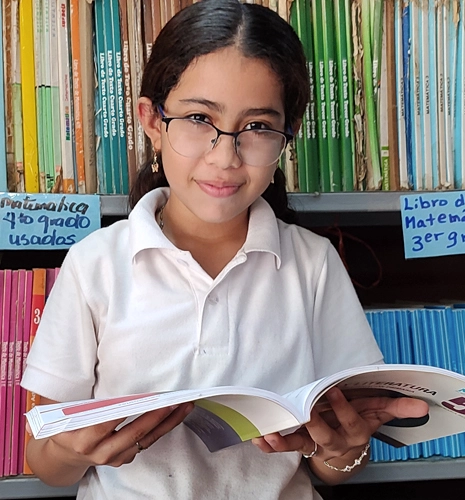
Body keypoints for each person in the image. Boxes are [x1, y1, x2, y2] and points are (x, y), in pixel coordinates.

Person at [21, 1, 428, 499]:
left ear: (285, 138)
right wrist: (71, 452)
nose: (225, 157)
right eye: (198, 118)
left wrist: (342, 454)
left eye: (257, 127)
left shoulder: (313, 264)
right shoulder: (94, 264)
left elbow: (335, 458)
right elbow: (43, 462)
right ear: (152, 120)